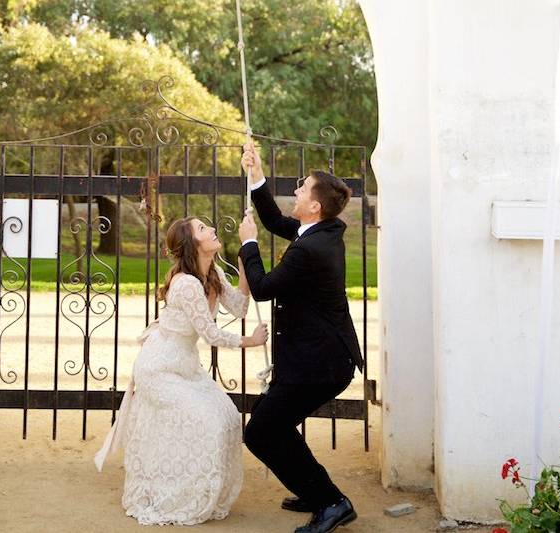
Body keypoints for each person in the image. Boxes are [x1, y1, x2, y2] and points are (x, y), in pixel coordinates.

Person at [95, 216, 269, 526]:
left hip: (185, 365)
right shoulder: (187, 283)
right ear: (193, 245)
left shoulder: (212, 271)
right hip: (160, 367)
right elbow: (211, 334)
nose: (212, 229)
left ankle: (199, 490)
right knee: (207, 422)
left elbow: (240, 307)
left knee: (226, 417)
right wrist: (251, 342)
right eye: (203, 229)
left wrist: (246, 255)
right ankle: (176, 493)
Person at [238, 142, 365, 533]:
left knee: (260, 432)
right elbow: (277, 221)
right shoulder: (319, 230)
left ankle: (331, 502)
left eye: (301, 188)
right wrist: (255, 173)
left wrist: (248, 243)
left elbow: (260, 288)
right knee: (273, 426)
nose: (295, 190)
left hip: (319, 366)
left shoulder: (311, 250)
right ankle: (316, 492)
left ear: (314, 205)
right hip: (318, 361)